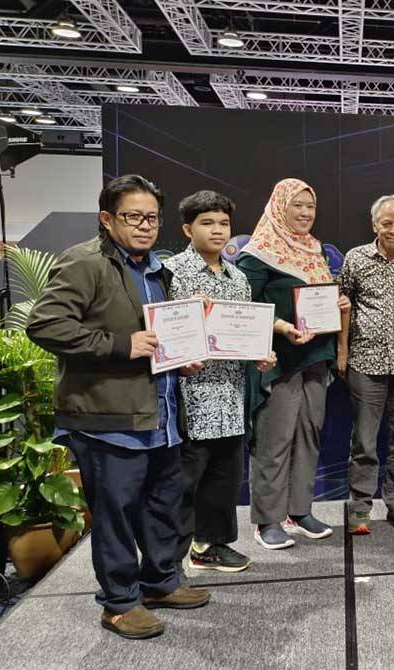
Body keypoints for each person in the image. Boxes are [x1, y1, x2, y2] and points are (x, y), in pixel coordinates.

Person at [27, 175, 210, 640]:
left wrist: (180, 360)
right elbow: (45, 325)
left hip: (159, 414)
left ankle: (160, 582)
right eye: (133, 216)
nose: (145, 226)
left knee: (161, 507)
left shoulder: (157, 269)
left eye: (151, 217)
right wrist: (119, 345)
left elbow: (158, 339)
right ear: (107, 219)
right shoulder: (84, 262)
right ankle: (119, 602)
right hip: (107, 419)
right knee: (114, 515)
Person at [165, 190, 277, 572]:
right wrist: (180, 361)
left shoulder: (238, 277)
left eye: (224, 223)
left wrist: (260, 354)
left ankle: (210, 546)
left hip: (231, 396)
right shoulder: (172, 273)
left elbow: (242, 333)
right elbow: (164, 334)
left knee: (224, 478)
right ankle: (166, 562)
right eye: (207, 223)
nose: (217, 230)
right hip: (191, 398)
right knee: (183, 484)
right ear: (187, 228)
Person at [238, 178, 351, 550]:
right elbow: (245, 310)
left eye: (310, 207)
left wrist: (339, 307)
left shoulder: (313, 250)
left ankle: (299, 510)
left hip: (315, 360)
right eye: (297, 206)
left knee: (308, 436)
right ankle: (267, 520)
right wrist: (281, 327)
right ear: (279, 207)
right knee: (275, 440)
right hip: (278, 362)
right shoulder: (257, 254)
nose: (305, 213)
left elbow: (318, 300)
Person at [338, 195, 394, 535]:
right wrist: (342, 352)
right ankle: (359, 508)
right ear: (374, 225)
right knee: (365, 441)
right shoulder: (355, 259)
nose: (392, 229)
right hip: (364, 361)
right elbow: (340, 305)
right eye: (386, 223)